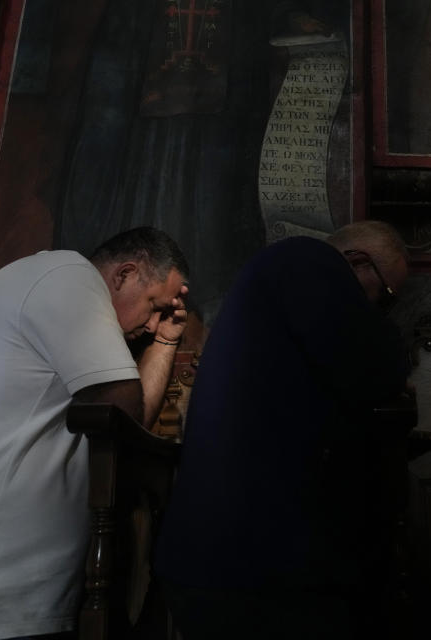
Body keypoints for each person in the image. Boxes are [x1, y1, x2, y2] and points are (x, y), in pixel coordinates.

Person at [0, 227, 190, 640]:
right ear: (125, 274)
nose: (152, 324)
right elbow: (125, 416)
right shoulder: (67, 276)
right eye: (154, 306)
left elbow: (123, 423)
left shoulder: (56, 295)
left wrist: (164, 340)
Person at [154, 220, 410, 640]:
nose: (381, 310)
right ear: (358, 262)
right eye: (385, 297)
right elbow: (376, 369)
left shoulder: (277, 281)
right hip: (249, 571)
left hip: (231, 564)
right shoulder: (308, 260)